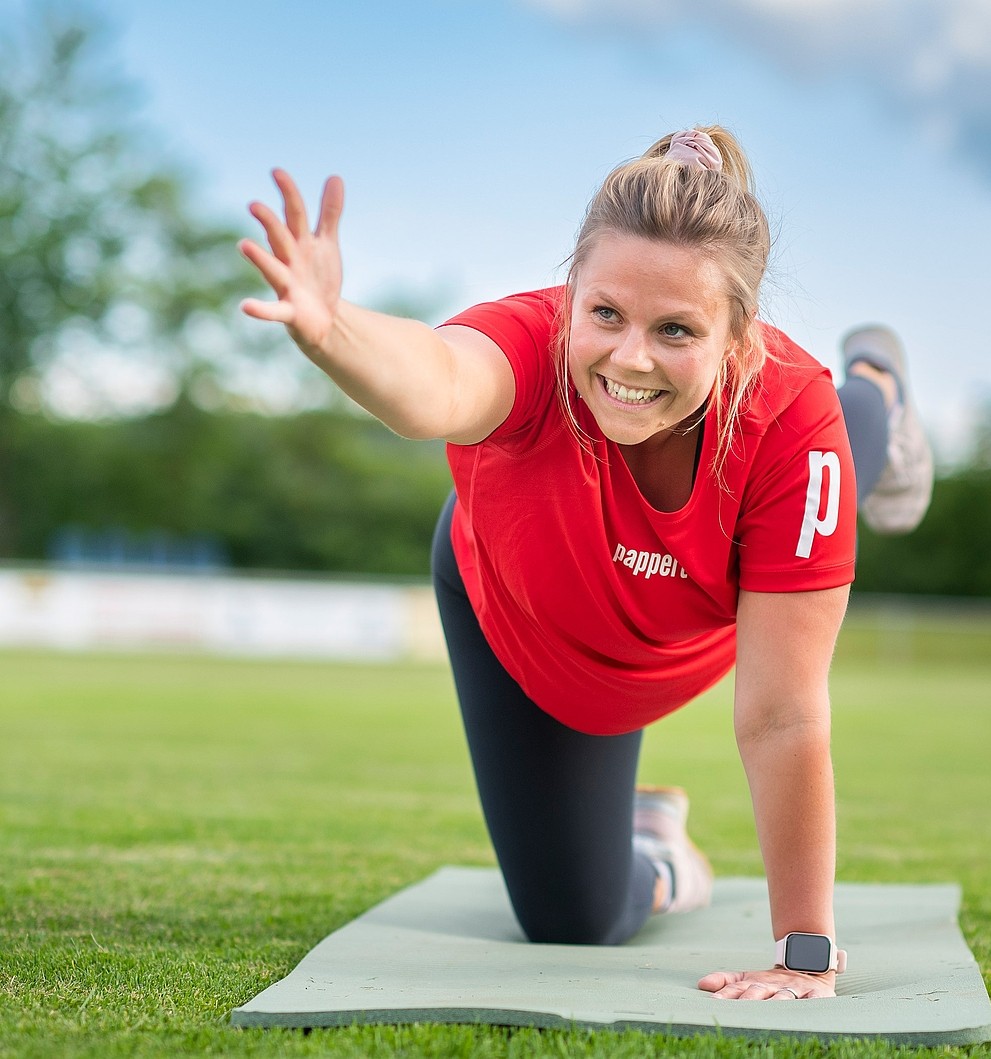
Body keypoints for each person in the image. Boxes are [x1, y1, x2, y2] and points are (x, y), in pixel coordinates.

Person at [239, 126, 932, 1002]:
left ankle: (877, 386)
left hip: (695, 619)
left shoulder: (790, 421)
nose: (628, 357)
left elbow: (783, 718)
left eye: (676, 328)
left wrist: (804, 950)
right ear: (571, 294)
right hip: (528, 613)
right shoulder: (529, 344)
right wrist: (333, 328)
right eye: (605, 313)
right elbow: (436, 385)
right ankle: (660, 843)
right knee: (573, 920)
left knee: (835, 443)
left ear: (737, 340)